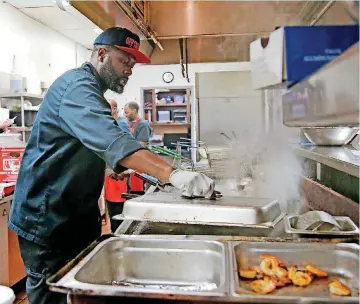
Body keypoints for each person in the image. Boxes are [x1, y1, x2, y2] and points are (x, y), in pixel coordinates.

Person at [8, 27, 215, 304]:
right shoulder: (77, 88)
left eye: (132, 64)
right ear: (102, 54)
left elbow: (85, 147)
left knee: (79, 290)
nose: (129, 70)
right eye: (124, 61)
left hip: (76, 216)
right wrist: (173, 174)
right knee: (51, 294)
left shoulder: (93, 92)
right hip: (47, 219)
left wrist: (113, 166)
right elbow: (114, 141)